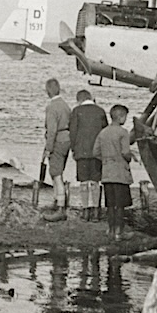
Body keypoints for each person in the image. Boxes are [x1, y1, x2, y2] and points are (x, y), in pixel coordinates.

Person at [93, 104, 133, 240]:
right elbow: (125, 152)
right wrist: (129, 158)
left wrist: (106, 160)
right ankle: (119, 232)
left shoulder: (103, 132)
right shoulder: (123, 133)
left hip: (107, 172)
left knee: (110, 204)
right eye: (125, 116)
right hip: (120, 173)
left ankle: (110, 230)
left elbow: (95, 152)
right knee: (120, 205)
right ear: (121, 117)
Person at [69, 89, 107, 221]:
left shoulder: (76, 111)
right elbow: (104, 132)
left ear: (79, 100)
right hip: (97, 153)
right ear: (91, 98)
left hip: (82, 152)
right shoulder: (100, 111)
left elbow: (73, 133)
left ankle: (85, 211)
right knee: (96, 182)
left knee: (84, 183)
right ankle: (96, 211)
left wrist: (73, 149)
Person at [42, 78, 72, 221]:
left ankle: (60, 207)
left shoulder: (52, 107)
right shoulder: (66, 105)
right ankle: (59, 201)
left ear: (48, 91)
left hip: (57, 140)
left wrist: (48, 148)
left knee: (55, 173)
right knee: (58, 171)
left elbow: (52, 130)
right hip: (67, 140)